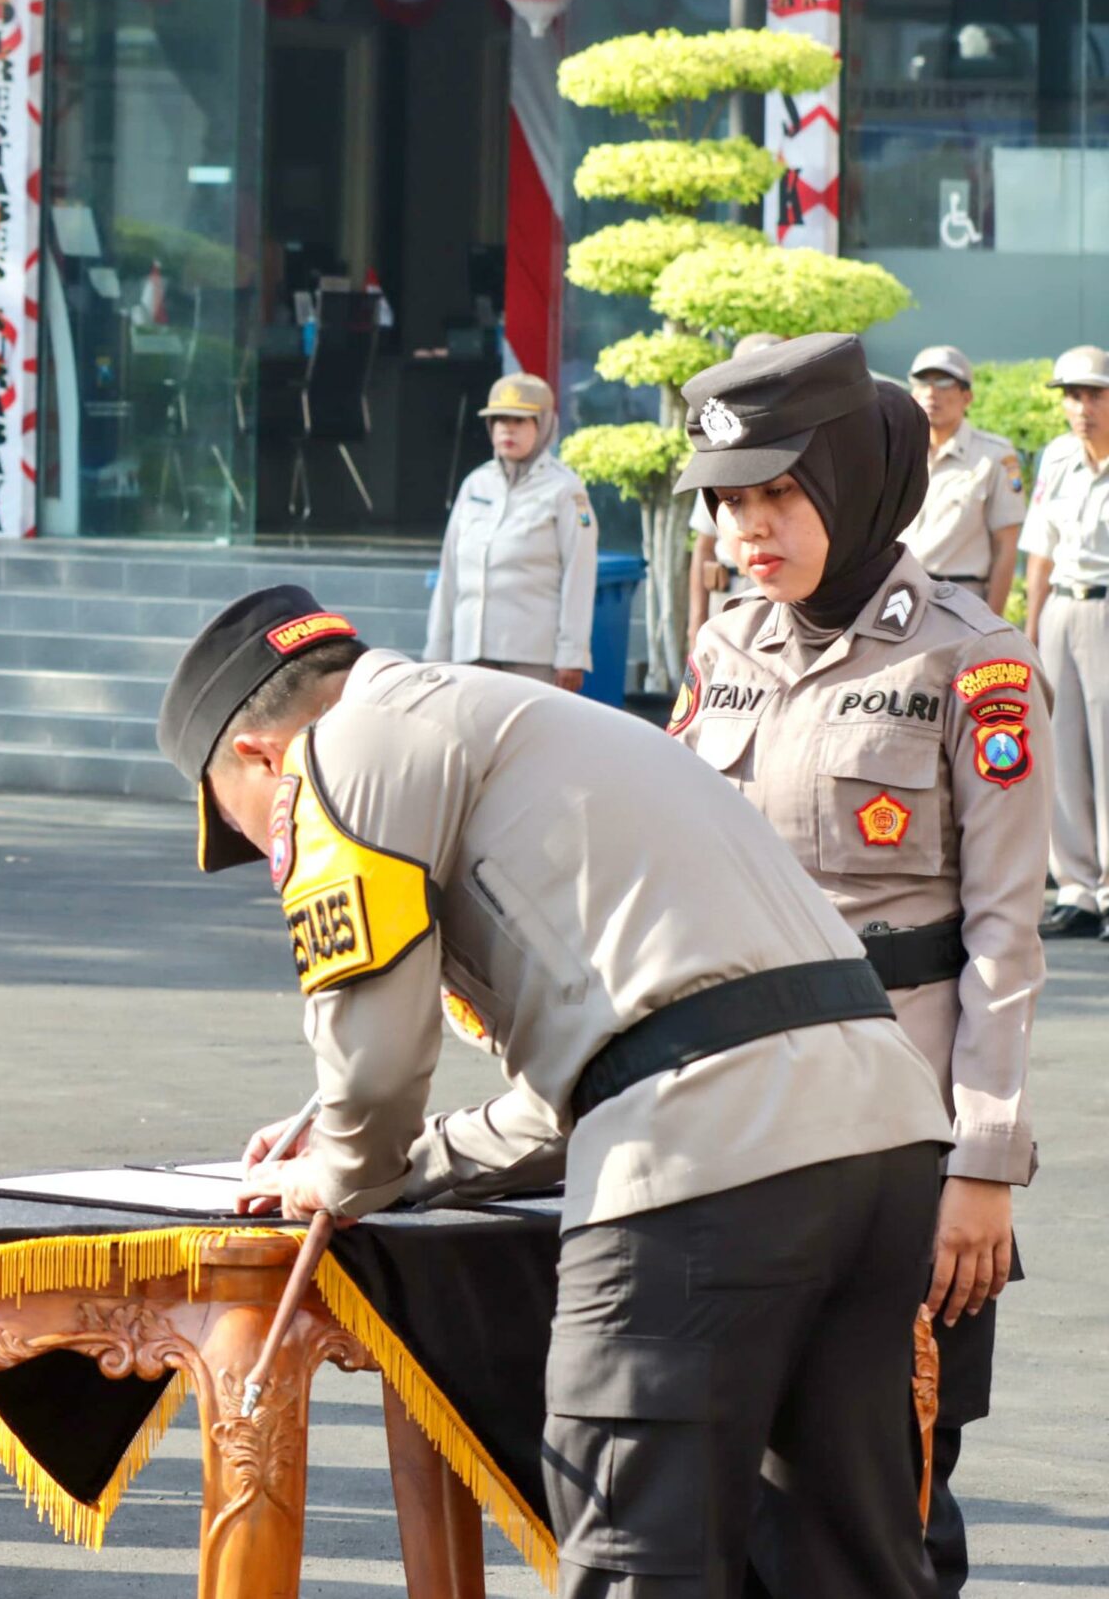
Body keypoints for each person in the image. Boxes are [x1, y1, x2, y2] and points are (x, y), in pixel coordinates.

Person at [163, 587, 953, 1598]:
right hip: (882, 1136)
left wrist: (342, 1170)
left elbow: (373, 1063)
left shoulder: (344, 744)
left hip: (700, 1158)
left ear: (259, 755)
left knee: (638, 1560)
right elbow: (593, 1084)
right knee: (844, 1569)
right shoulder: (533, 720)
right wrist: (415, 1163)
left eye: (241, 824)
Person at [669, 333, 1042, 1596]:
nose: (747, 530)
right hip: (735, 1128)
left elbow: (1003, 938)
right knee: (732, 1496)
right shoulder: (723, 650)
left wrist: (981, 1163)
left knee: (882, 1500)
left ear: (850, 481)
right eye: (728, 502)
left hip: (897, 1139)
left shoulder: (973, 661)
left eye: (778, 494)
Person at [423, 373, 595, 690]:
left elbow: (579, 575)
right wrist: (436, 651)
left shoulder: (565, 489)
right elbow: (450, 573)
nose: (507, 429)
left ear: (543, 425)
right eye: (499, 420)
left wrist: (572, 654)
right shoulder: (476, 484)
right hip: (469, 655)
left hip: (533, 657)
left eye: (520, 420)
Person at [1022, 344, 1109, 941]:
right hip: (1061, 606)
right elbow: (1040, 548)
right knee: (1061, 750)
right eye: (1072, 396)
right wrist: (1031, 629)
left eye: (1094, 394)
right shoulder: (1056, 456)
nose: (1081, 407)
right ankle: (1077, 890)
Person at [897, 345, 1024, 616]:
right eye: (923, 382)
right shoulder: (898, 451)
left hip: (960, 600)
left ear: (967, 397)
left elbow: (1005, 545)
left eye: (944, 383)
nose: (931, 393)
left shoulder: (995, 456)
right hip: (899, 596)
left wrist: (992, 620)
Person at [688, 333, 781, 637]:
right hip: (728, 592)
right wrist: (696, 625)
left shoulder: (799, 449)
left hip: (782, 590)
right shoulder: (719, 450)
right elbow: (704, 545)